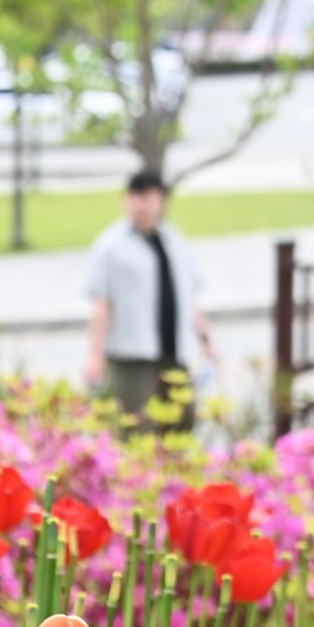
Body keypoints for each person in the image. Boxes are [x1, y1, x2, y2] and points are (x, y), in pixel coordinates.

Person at [84, 168, 216, 430]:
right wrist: (94, 355)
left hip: (174, 351)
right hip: (132, 355)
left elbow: (190, 298)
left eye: (149, 198)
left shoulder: (174, 240)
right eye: (136, 198)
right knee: (137, 426)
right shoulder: (111, 246)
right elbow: (101, 306)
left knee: (180, 422)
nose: (142, 206)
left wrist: (206, 340)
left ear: (161, 201)